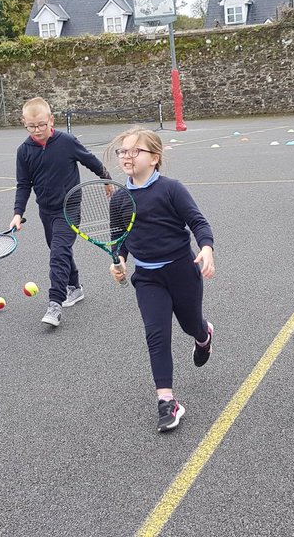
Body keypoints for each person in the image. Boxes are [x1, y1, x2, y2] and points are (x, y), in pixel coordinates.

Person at [106, 126, 215, 432]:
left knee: (190, 325)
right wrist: (120, 260)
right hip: (148, 278)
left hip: (182, 270)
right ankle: (167, 401)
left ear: (154, 158)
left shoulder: (170, 189)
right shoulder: (119, 198)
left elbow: (198, 221)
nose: (127, 156)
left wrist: (206, 248)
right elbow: (119, 237)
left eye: (134, 150)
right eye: (122, 151)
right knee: (156, 335)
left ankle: (203, 335)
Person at [10, 97, 111, 327]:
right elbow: (23, 184)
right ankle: (74, 287)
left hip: (70, 208)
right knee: (60, 251)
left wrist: (106, 178)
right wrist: (18, 213)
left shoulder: (66, 142)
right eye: (31, 126)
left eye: (42, 125)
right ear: (23, 123)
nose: (37, 130)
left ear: (51, 120)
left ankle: (55, 304)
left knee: (58, 252)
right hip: (46, 210)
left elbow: (90, 160)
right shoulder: (23, 151)